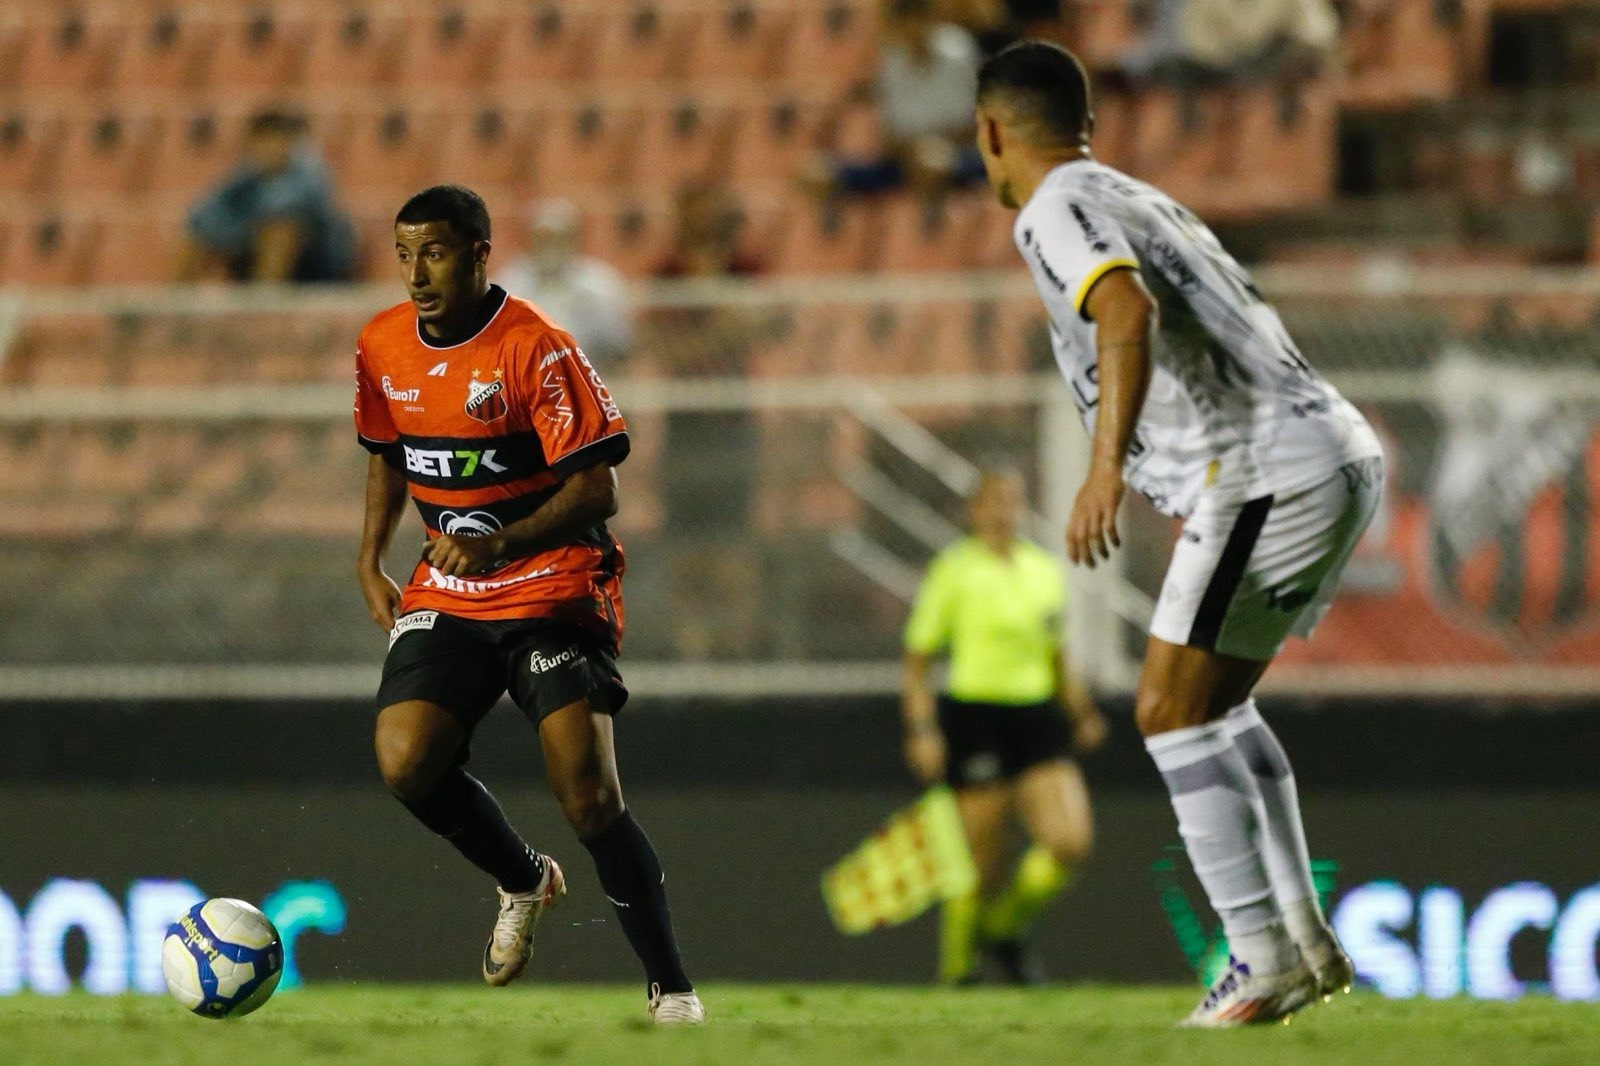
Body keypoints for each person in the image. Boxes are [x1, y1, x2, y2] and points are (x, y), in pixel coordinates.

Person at [973, 42, 1383, 1025]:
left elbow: (1122, 307)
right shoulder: (1131, 193)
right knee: (1218, 704)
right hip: (1330, 453)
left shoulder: (1053, 211)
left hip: (1263, 472)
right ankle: (1302, 937)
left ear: (990, 133)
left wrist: (1103, 468)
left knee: (1167, 709)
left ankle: (1256, 956)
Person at [352, 184, 703, 1024]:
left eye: (434, 252)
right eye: (404, 254)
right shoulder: (382, 344)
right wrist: (367, 556)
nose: (416, 273)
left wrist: (500, 542)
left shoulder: (536, 348)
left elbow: (598, 488)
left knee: (586, 793)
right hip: (452, 587)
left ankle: (671, 986)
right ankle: (522, 877)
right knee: (405, 760)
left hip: (551, 583)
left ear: (479, 252)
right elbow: (385, 452)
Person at [902, 470, 1107, 985]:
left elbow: (1057, 655)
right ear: (974, 510)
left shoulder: (1042, 570)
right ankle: (957, 970)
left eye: (1011, 502)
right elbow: (918, 663)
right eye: (991, 503)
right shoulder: (954, 570)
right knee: (982, 860)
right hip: (976, 716)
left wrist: (1080, 712)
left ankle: (1001, 927)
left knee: (1069, 841)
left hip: (1035, 716)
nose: (1001, 513)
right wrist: (923, 729)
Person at [178, 109, 356, 284]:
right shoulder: (245, 176)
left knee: (279, 228)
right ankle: (174, 302)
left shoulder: (310, 174)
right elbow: (204, 214)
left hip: (316, 264)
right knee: (198, 234)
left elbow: (288, 208)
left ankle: (264, 298)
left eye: (276, 141)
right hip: (250, 252)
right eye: (262, 141)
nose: (269, 148)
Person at [495, 199, 633, 364]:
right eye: (544, 239)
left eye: (558, 239)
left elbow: (619, 343)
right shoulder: (509, 283)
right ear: (531, 240)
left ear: (573, 239)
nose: (551, 247)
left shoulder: (600, 284)